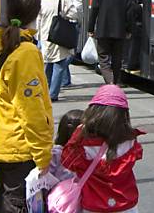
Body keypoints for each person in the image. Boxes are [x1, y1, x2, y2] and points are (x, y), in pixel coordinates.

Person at [0, 0, 54, 213]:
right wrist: (43, 155)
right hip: (22, 147)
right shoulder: (26, 53)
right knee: (16, 205)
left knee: (4, 201)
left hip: (1, 141)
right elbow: (31, 111)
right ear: (36, 13)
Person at [61, 85, 144, 213]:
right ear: (123, 114)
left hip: (93, 205)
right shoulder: (130, 138)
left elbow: (67, 161)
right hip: (126, 204)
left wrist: (79, 131)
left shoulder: (83, 139)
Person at [89, 0, 136, 86]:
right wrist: (129, 30)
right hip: (119, 31)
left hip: (102, 30)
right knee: (117, 58)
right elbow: (129, 13)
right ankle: (115, 82)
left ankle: (110, 82)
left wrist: (90, 28)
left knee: (103, 58)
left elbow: (94, 11)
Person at [36, 0, 76, 102]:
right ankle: (53, 94)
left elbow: (38, 20)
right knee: (59, 65)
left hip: (45, 36)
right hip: (59, 36)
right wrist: (63, 15)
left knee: (46, 65)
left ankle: (45, 91)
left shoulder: (43, 0)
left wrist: (38, 36)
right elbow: (74, 14)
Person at [61, 0, 84, 88]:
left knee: (65, 50)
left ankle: (66, 80)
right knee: (71, 52)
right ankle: (59, 72)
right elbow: (78, 6)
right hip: (72, 21)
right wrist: (78, 17)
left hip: (63, 20)